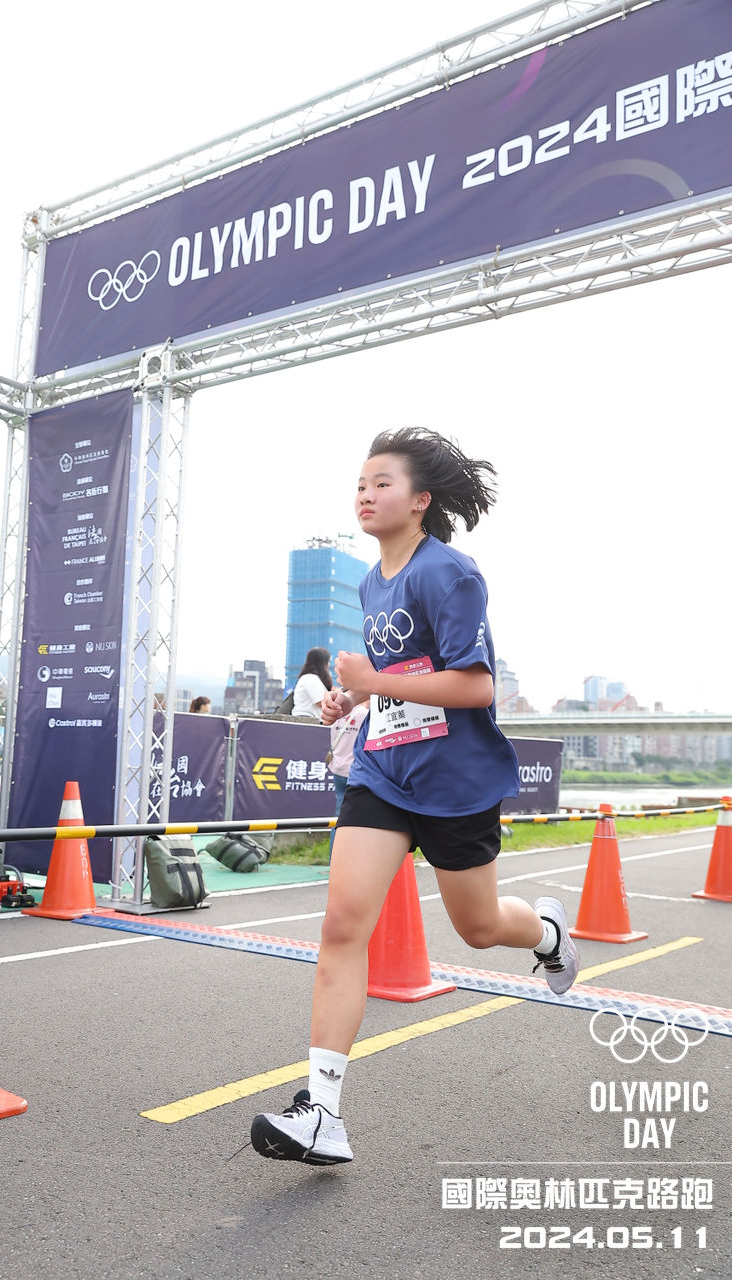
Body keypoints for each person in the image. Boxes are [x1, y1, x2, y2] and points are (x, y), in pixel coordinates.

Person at [251, 428, 578, 1167]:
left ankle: (548, 934)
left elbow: (474, 685)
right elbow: (401, 676)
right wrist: (353, 701)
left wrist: (372, 681)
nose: (365, 496)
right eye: (359, 485)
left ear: (421, 500)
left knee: (480, 928)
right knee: (342, 923)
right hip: (383, 773)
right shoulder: (373, 583)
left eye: (382, 484)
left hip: (454, 782)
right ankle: (321, 1114)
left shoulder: (449, 573)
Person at [326, 701, 368, 858]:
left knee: (339, 817)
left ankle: (334, 858)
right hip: (356, 770)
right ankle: (354, 857)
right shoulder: (363, 714)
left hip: (337, 768)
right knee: (360, 818)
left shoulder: (337, 714)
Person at [291, 647, 332, 718]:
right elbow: (320, 702)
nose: (329, 665)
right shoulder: (311, 679)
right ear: (322, 663)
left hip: (307, 718)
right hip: (306, 719)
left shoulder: (310, 678)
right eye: (327, 661)